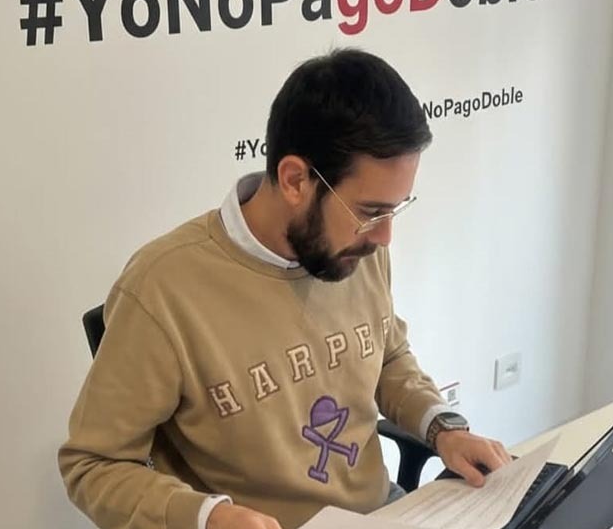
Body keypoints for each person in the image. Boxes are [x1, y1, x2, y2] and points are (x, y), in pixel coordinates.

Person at [59, 48, 512, 529]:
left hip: (382, 511)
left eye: (394, 209)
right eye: (371, 211)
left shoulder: (356, 247)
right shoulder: (163, 289)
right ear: (295, 180)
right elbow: (93, 465)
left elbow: (387, 357)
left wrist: (443, 428)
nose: (384, 237)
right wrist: (208, 518)